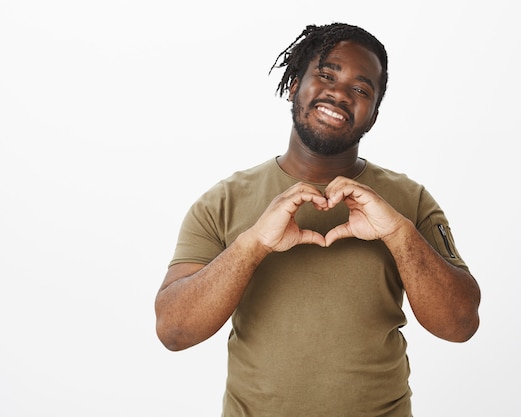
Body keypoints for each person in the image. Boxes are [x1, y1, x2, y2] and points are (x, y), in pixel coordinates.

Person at [155, 22, 481, 417]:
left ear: (374, 114)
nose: (340, 94)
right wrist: (253, 243)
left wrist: (398, 234)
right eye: (326, 75)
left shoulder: (409, 200)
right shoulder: (222, 201)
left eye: (361, 89)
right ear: (294, 85)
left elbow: (460, 324)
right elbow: (173, 332)